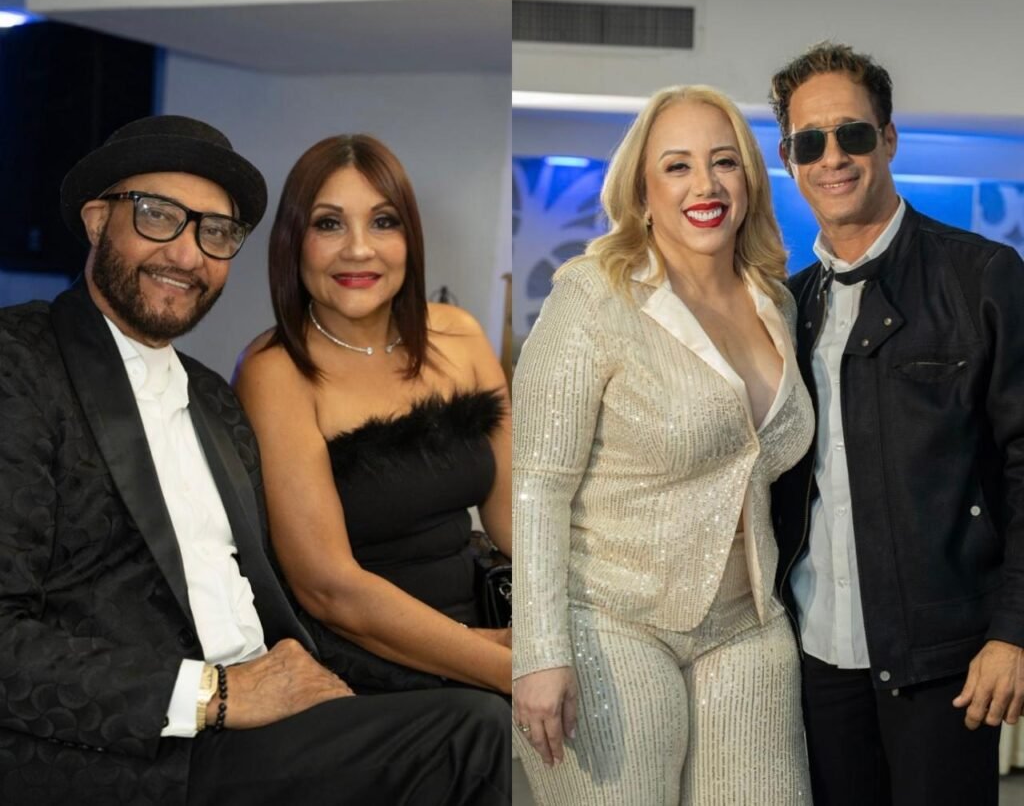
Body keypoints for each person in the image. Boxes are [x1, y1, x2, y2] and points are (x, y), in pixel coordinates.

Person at [0, 115, 510, 806]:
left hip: (276, 713)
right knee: (478, 736)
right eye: (158, 216)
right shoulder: (20, 363)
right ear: (97, 222)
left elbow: (285, 609)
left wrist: (477, 660)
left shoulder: (212, 398)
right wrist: (216, 693)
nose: (187, 254)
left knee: (486, 718)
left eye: (214, 231)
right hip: (143, 753)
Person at [511, 85, 814, 804]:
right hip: (609, 623)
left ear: (749, 180)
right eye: (677, 166)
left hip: (748, 626)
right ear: (643, 193)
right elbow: (537, 484)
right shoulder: (592, 294)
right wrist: (538, 652)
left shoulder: (777, 300)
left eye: (724, 162)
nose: (705, 184)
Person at [768, 41, 1024, 806]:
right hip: (817, 659)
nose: (832, 157)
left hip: (946, 659)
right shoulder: (786, 306)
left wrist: (1014, 630)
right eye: (809, 142)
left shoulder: (982, 277)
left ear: (888, 138)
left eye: (852, 133)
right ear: (787, 158)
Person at [233, 134, 512, 697]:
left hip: (489, 629)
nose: (359, 250)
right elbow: (328, 588)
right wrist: (506, 667)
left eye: (383, 222)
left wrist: (564, 628)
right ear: (293, 242)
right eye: (329, 224)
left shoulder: (459, 334)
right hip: (365, 662)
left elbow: (516, 518)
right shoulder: (273, 370)